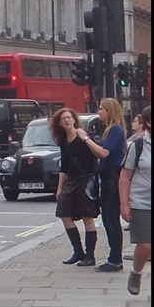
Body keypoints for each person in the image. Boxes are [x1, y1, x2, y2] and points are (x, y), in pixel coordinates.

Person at [51, 107, 100, 266]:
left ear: (74, 120)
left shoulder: (82, 136)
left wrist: (86, 139)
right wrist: (59, 188)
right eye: (63, 118)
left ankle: (90, 255)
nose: (66, 120)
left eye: (69, 117)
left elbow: (95, 157)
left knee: (87, 217)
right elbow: (63, 166)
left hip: (85, 180)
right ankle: (78, 251)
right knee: (64, 214)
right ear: (59, 123)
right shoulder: (63, 141)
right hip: (71, 181)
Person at [85, 98, 127, 271]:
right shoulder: (109, 131)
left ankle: (115, 259)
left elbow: (104, 153)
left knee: (111, 220)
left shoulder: (116, 129)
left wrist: (86, 139)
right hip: (107, 179)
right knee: (108, 219)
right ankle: (113, 257)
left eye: (102, 109)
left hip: (112, 179)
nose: (99, 111)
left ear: (110, 111)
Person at [119, 105, 150, 296]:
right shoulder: (137, 145)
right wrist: (124, 204)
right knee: (146, 245)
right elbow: (125, 176)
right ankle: (136, 273)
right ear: (148, 122)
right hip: (142, 202)